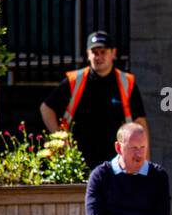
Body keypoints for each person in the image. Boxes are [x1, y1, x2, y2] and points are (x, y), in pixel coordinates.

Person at [40, 31, 147, 168]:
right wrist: (59, 139)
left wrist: (144, 162)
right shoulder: (75, 81)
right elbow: (46, 108)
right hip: (78, 161)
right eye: (94, 52)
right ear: (88, 54)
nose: (99, 56)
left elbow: (140, 123)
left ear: (113, 53)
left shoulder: (126, 83)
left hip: (117, 162)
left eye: (103, 52)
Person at [85, 123, 170, 215]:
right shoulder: (100, 175)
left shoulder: (158, 176)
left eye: (143, 147)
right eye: (134, 148)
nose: (140, 154)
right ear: (119, 148)